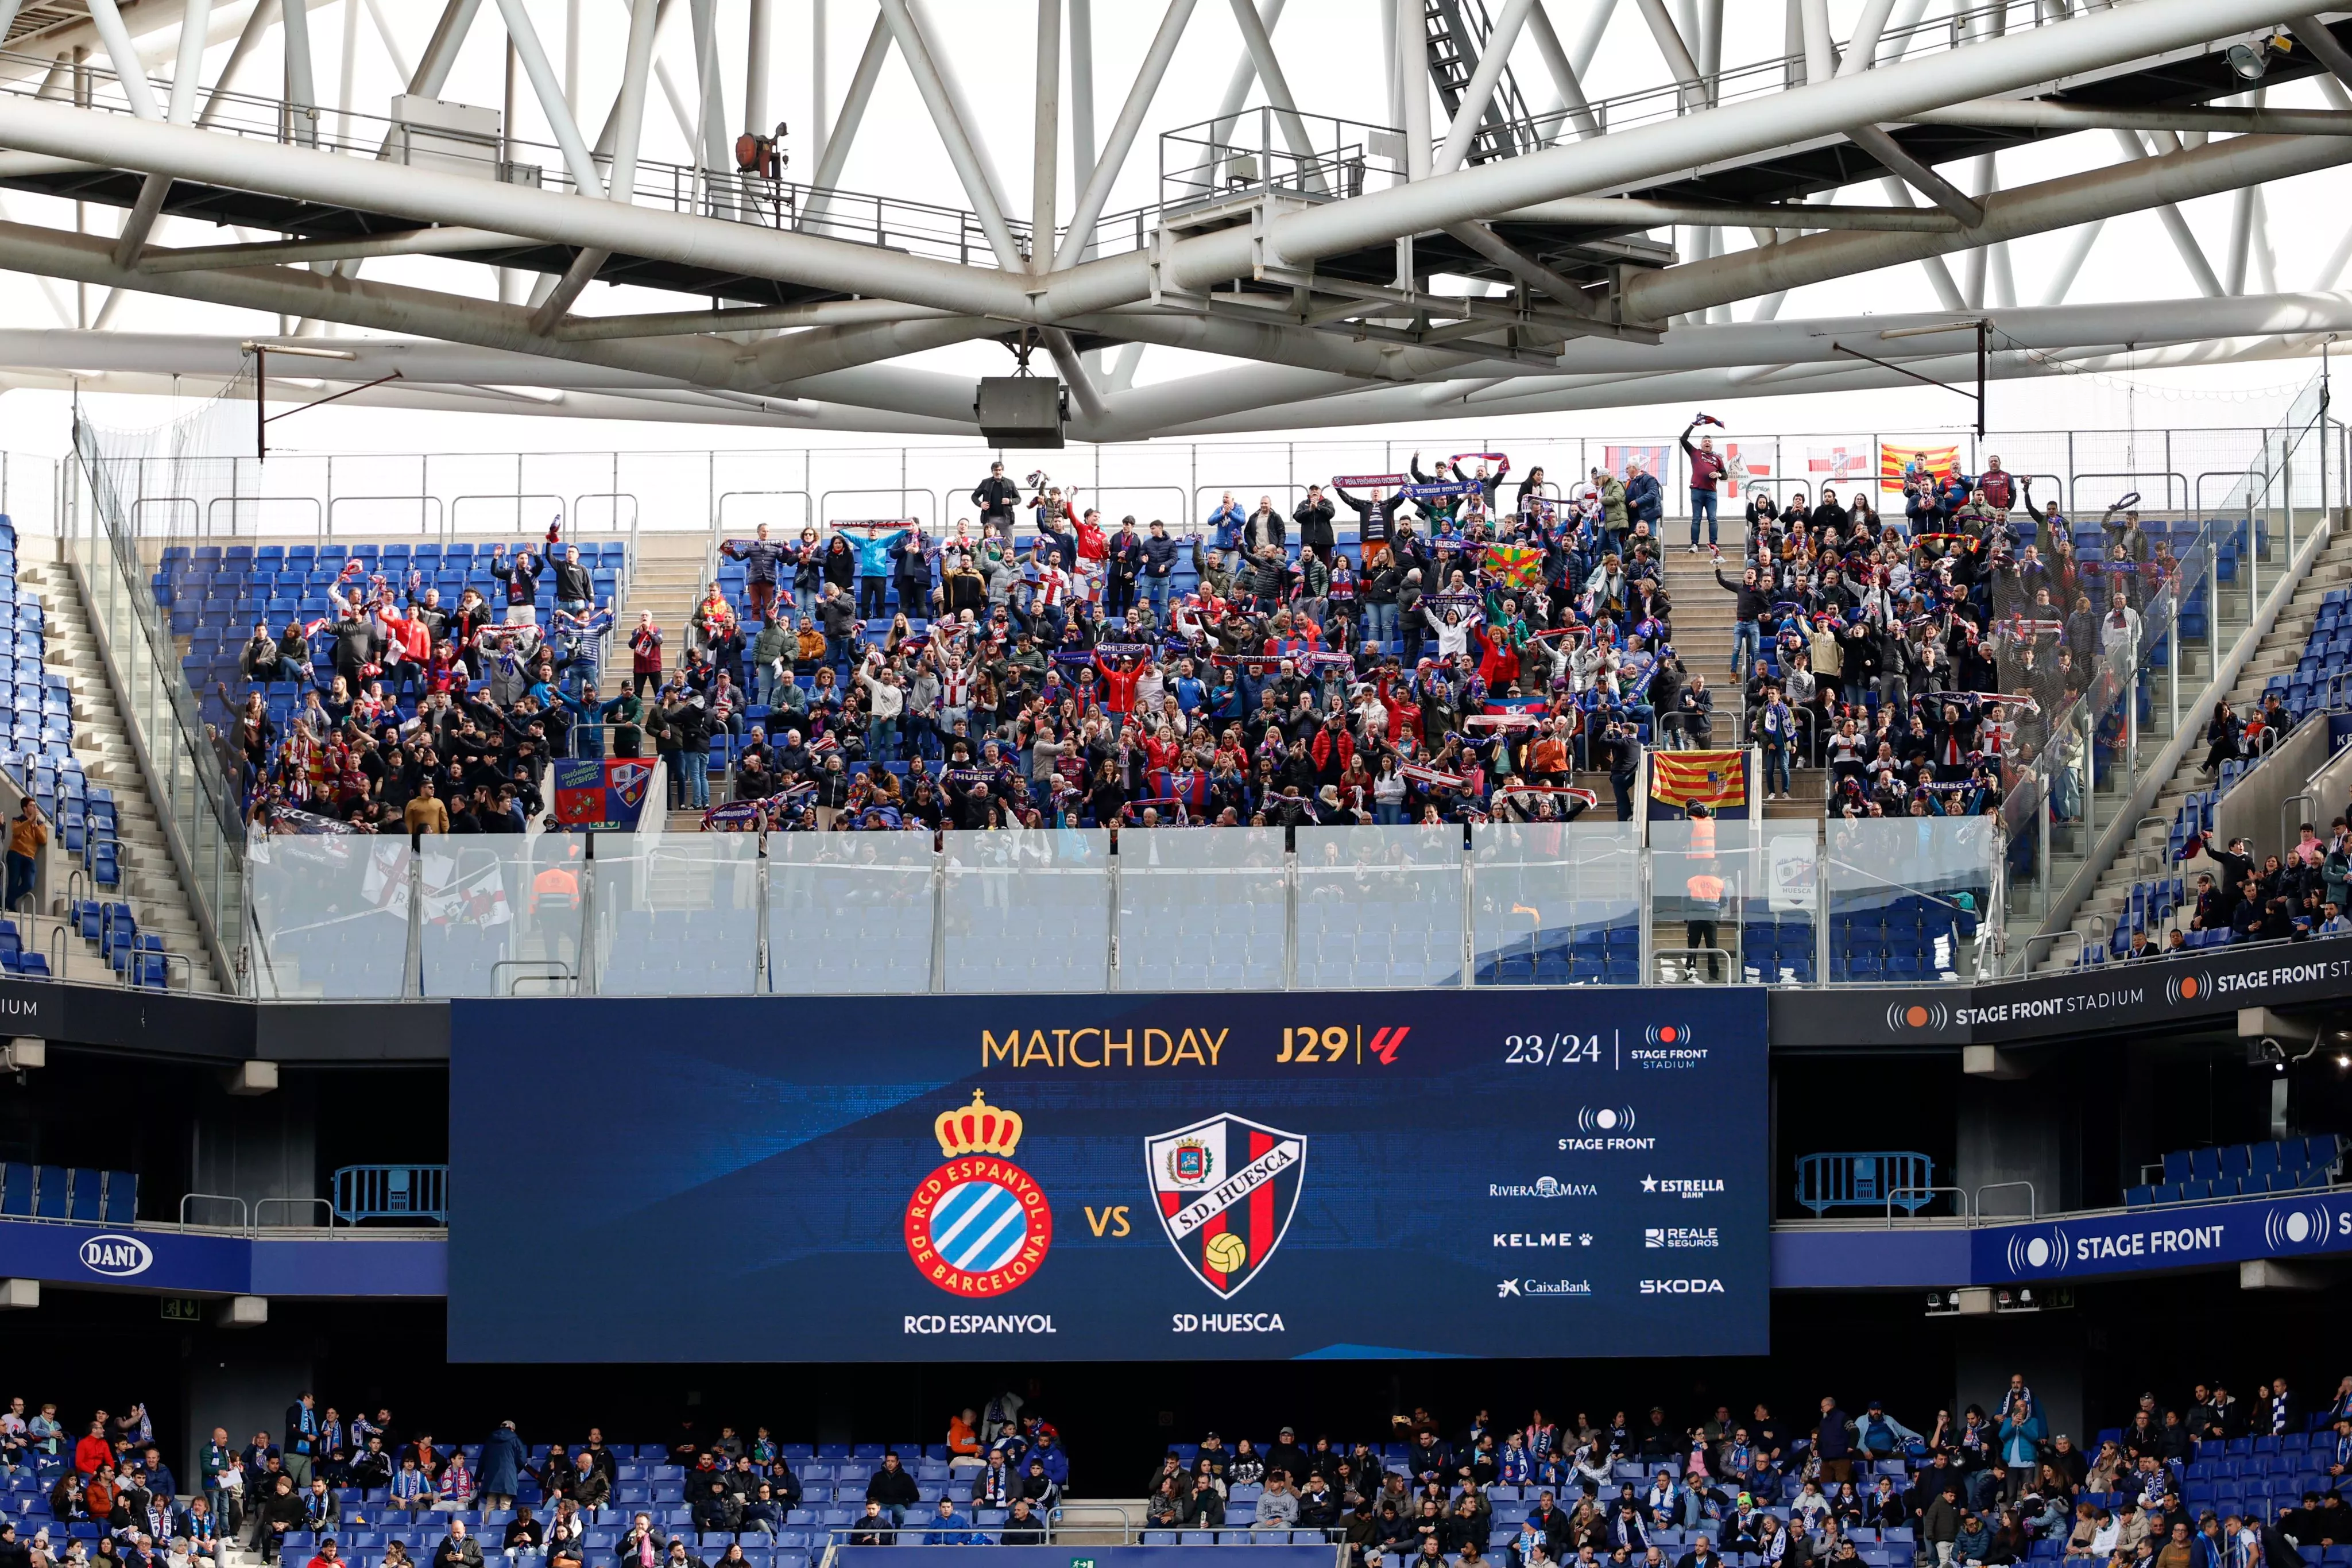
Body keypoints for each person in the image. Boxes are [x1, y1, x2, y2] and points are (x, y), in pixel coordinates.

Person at [5, 795, 44, 915]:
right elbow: (16, 832)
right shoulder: (17, 820)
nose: (35, 808)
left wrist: (35, 824)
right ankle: (9, 907)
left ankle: (6, 901)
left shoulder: (40, 824)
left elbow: (43, 839)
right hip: (15, 854)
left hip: (29, 857)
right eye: (32, 806)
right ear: (25, 808)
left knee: (29, 884)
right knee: (13, 882)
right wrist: (29, 821)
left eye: (35, 806)